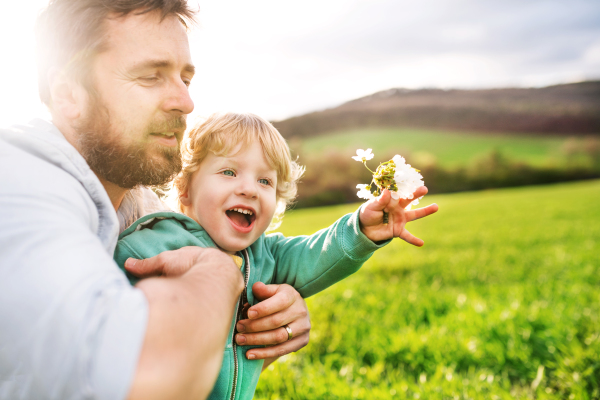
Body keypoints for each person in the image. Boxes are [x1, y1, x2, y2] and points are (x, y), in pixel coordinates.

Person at [0, 1, 311, 399]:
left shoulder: (139, 205)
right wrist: (218, 275)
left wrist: (261, 322)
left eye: (186, 78)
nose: (185, 102)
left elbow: (193, 360)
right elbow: (144, 375)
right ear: (68, 95)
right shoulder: (21, 183)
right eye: (151, 76)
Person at [114, 112, 439, 400]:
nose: (250, 189)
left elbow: (318, 252)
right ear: (185, 188)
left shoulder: (266, 254)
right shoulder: (152, 245)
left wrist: (361, 229)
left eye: (265, 180)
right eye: (229, 172)